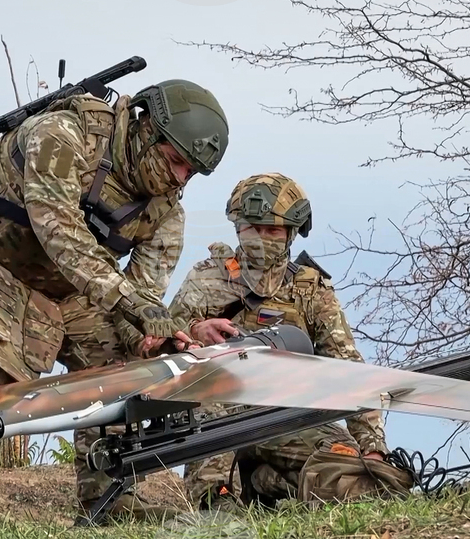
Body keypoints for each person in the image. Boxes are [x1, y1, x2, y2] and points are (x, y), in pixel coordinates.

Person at [0, 79, 229, 523]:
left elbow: (140, 301)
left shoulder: (165, 215)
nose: (179, 178)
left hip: (65, 286)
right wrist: (133, 306)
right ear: (146, 130)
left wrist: (152, 337)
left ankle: (110, 497)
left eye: (190, 172)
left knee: (124, 368)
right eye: (174, 161)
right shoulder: (62, 135)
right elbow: (58, 229)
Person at [168, 173, 413, 511]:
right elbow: (162, 341)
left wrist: (373, 447)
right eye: (252, 227)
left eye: (272, 230)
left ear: (291, 234)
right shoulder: (206, 277)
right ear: (237, 227)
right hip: (218, 410)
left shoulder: (310, 291)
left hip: (286, 416)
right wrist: (195, 331)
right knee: (211, 418)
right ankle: (215, 502)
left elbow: (351, 370)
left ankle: (267, 484)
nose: (261, 238)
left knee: (356, 475)